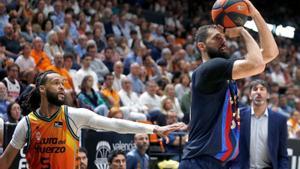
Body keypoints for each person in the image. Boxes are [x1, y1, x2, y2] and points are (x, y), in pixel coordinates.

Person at [0, 71, 184, 169]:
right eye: (56, 83)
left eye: (63, 84)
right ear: (41, 88)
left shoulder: (73, 115)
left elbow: (115, 124)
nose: (62, 88)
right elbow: (6, 161)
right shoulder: (27, 124)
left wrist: (154, 129)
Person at [180, 0, 279, 168]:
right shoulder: (209, 69)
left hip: (216, 162)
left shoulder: (222, 70)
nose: (223, 40)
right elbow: (257, 64)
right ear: (201, 46)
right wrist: (242, 30)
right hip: (199, 161)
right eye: (216, 38)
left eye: (223, 36)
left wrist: (254, 13)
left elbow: (271, 53)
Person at [230, 79, 288, 169]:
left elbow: (282, 155)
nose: (258, 92)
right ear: (249, 95)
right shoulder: (238, 116)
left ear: (268, 95)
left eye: (262, 89)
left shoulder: (280, 120)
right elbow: (229, 146)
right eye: (255, 89)